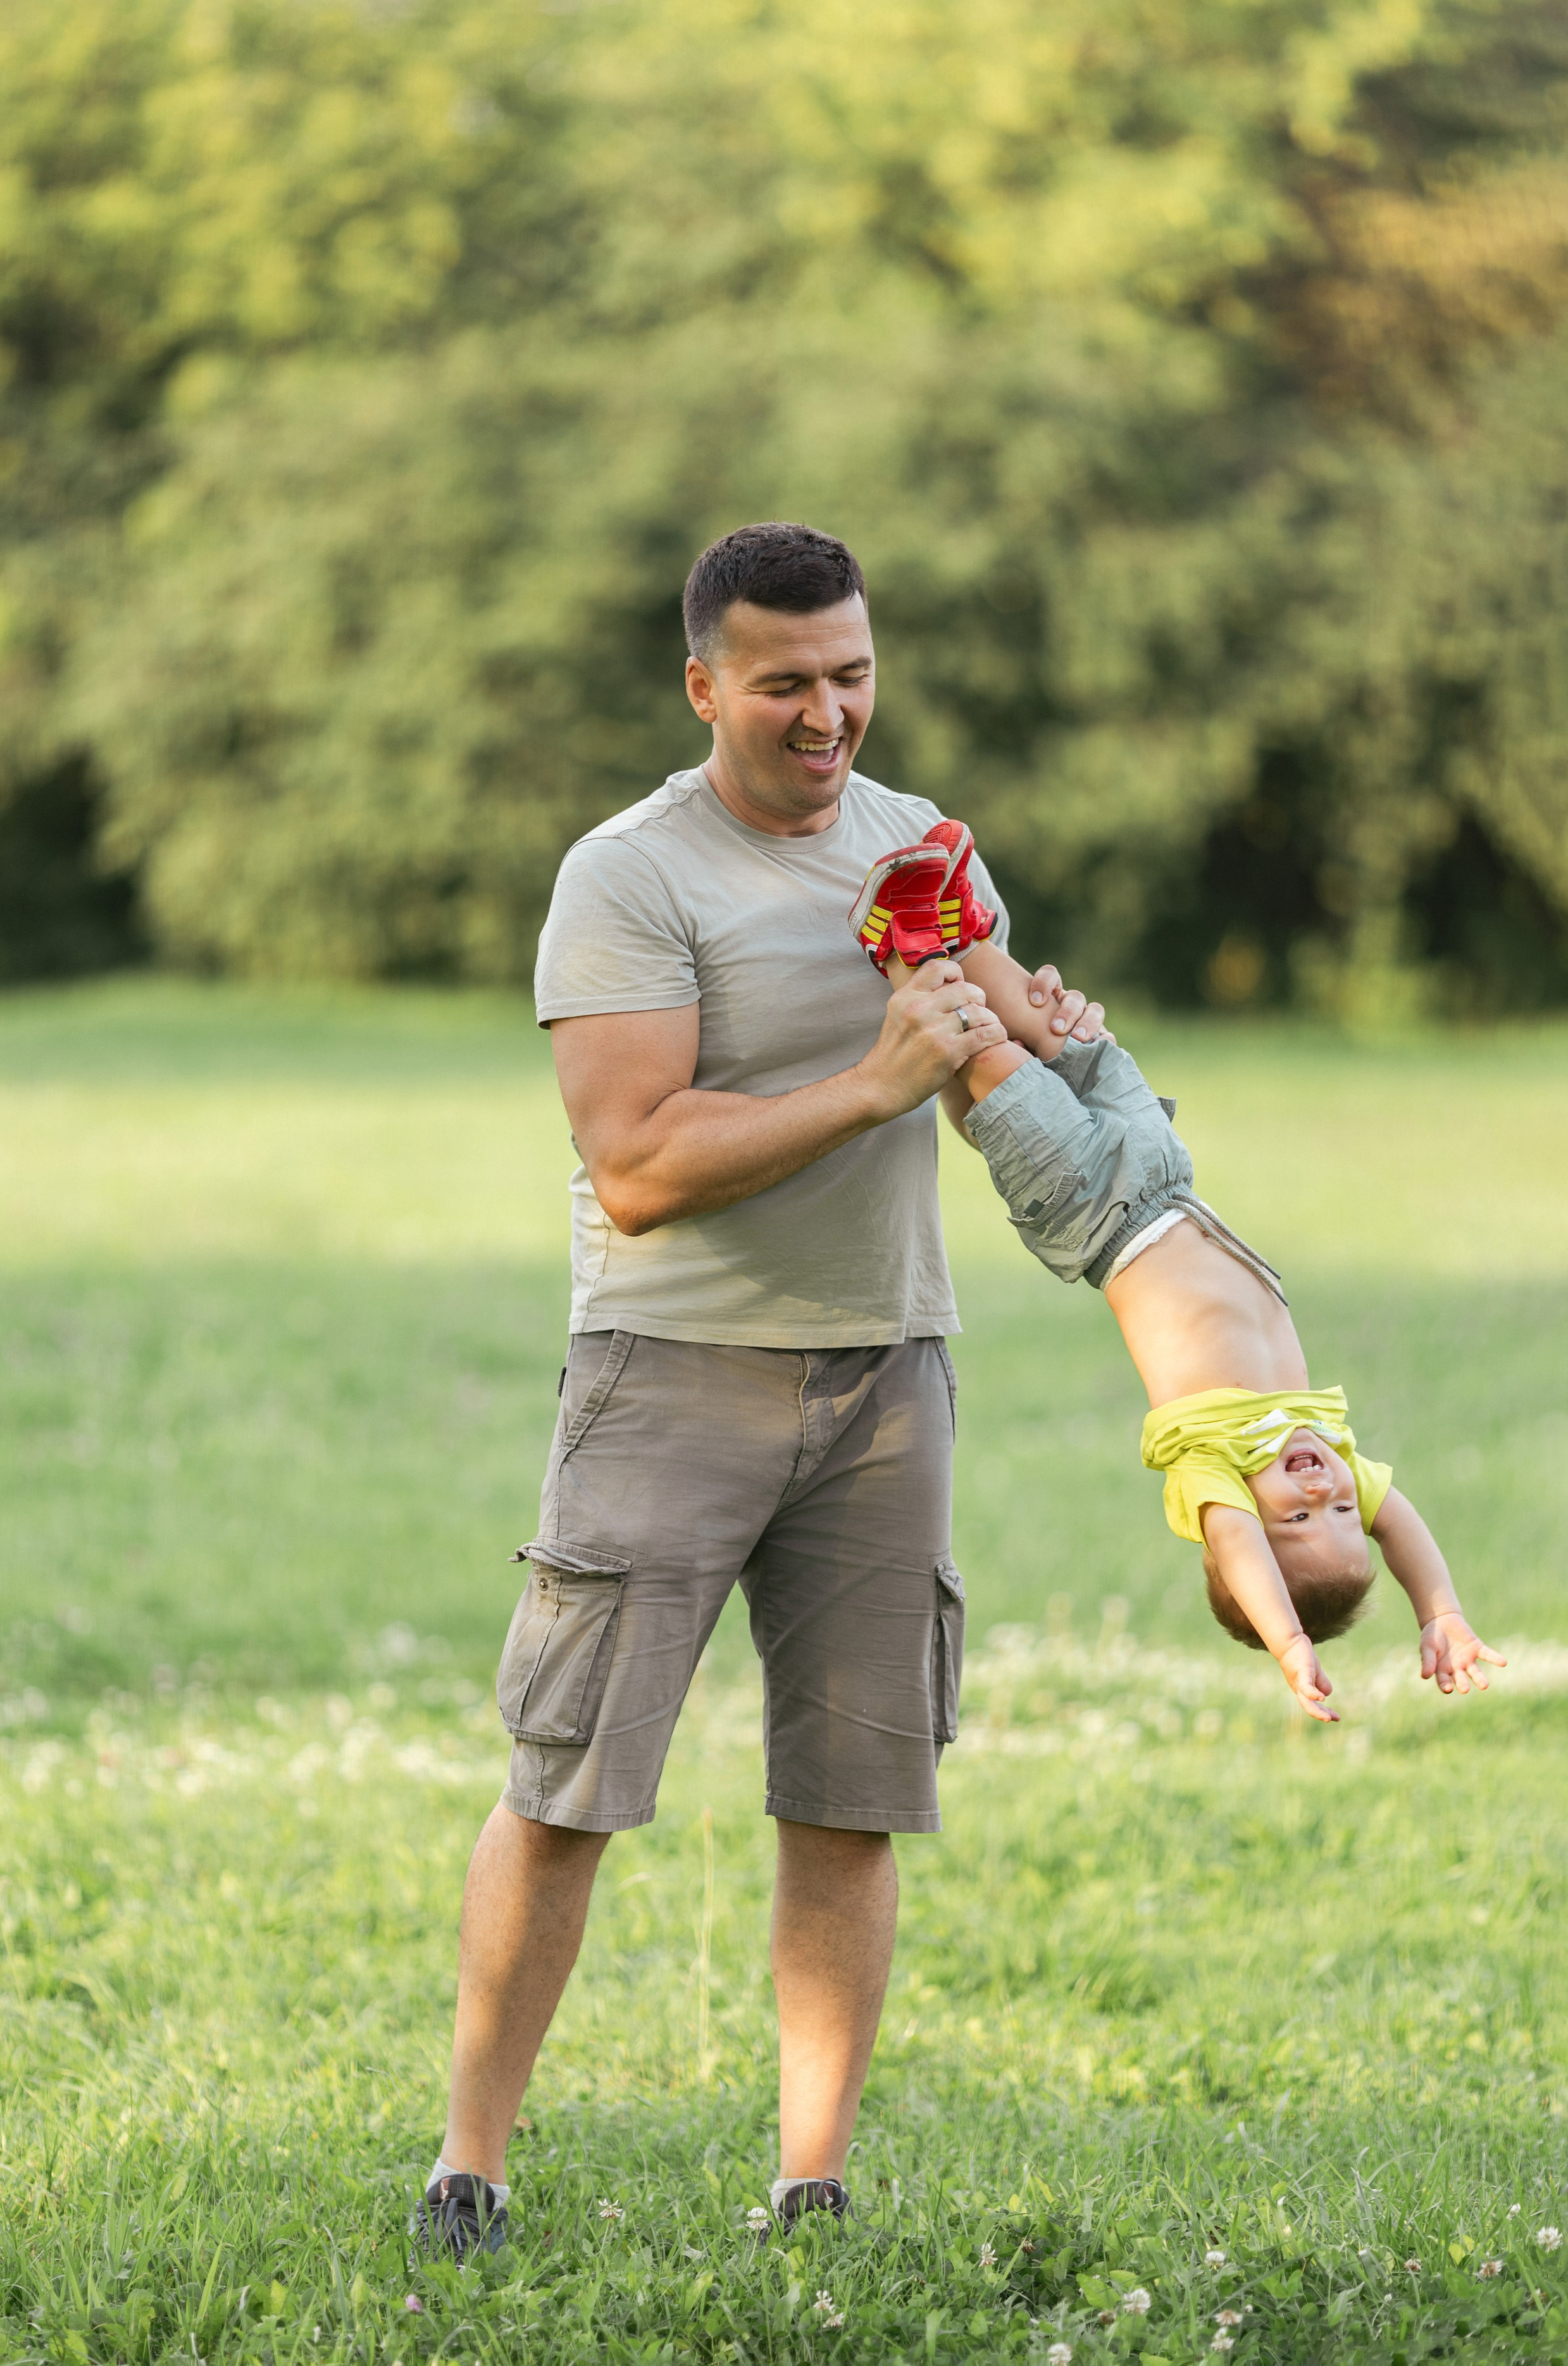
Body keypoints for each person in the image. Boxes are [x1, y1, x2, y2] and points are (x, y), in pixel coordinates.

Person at [412, 523, 1107, 2262]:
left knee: (852, 1794)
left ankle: (812, 2180)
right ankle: (469, 2168)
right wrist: (879, 1078)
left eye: (853, 674)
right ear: (705, 681)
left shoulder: (923, 845)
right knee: (569, 1785)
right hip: (670, 1378)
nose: (829, 714)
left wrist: (1051, 1048)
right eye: (787, 681)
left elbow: (987, 1056)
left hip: (890, 1375)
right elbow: (637, 1162)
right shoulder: (633, 877)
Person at [851, 827, 1506, 1726]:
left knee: (987, 1058)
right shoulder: (1332, 1447)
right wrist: (1443, 1612)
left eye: (1298, 1521)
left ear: (1244, 1519)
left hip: (1092, 1206)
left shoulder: (1215, 1473)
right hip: (1165, 1173)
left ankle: (907, 946)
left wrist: (1289, 1642)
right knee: (1061, 1029)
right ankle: (968, 941)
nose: (1324, 1495)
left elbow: (1239, 1545)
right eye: (1343, 1516)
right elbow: (1404, 1526)